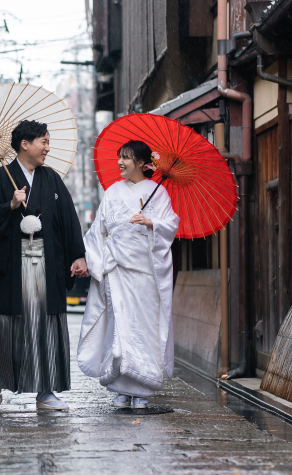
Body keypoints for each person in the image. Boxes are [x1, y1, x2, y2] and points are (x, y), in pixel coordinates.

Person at [0, 120, 88, 411]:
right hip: (13, 264)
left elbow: (68, 218)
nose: (47, 147)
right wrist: (9, 207)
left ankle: (46, 390)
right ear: (24, 144)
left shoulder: (51, 179)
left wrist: (78, 255)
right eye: (43, 141)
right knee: (6, 326)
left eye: (48, 141)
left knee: (46, 325)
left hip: (46, 261)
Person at [77, 140, 180, 409]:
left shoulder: (158, 195)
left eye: (127, 158)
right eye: (120, 157)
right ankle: (120, 386)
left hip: (144, 272)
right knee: (118, 326)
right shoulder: (112, 192)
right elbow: (97, 231)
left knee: (142, 327)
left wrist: (151, 222)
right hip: (116, 270)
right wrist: (94, 261)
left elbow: (170, 225)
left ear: (143, 164)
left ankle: (143, 388)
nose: (121, 162)